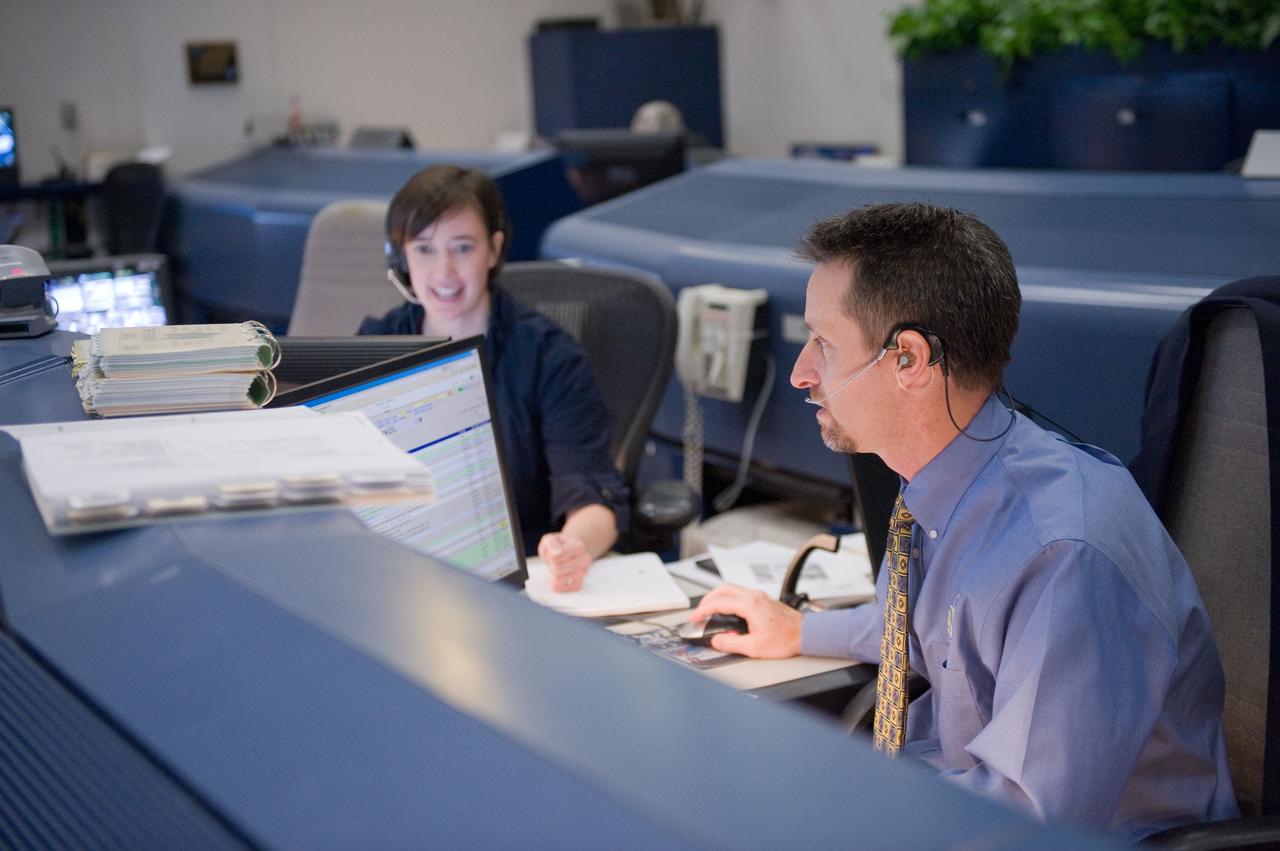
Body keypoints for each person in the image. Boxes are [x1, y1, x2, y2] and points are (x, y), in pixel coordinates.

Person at [688, 202, 1238, 838]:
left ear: (910, 360)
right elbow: (934, 632)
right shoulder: (952, 481)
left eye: (824, 344)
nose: (800, 374)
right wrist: (800, 632)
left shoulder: (1062, 554)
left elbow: (1031, 821)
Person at [359, 165, 628, 590]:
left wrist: (572, 547)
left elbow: (592, 495)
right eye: (425, 249)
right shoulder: (375, 346)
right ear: (402, 258)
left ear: (493, 250)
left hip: (509, 586)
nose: (444, 271)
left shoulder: (548, 356)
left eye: (462, 248)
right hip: (401, 577)